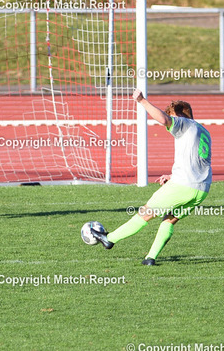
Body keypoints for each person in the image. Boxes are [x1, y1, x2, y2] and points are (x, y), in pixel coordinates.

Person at [91, 89, 212, 266]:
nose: (169, 123)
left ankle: (109, 239)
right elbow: (197, 161)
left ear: (179, 115)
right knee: (169, 219)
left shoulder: (183, 123)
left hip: (183, 185)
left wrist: (142, 100)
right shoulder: (203, 131)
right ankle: (150, 258)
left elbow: (163, 119)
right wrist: (172, 176)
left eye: (172, 116)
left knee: (145, 214)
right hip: (201, 188)